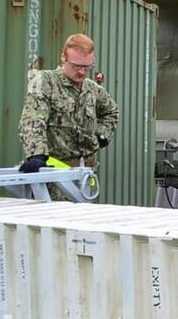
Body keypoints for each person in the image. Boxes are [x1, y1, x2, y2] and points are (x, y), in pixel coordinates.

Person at [17, 33, 120, 200]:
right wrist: (37, 154)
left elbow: (111, 111)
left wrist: (102, 136)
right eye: (76, 66)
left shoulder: (92, 89)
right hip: (54, 177)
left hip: (84, 174)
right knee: (55, 223)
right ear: (63, 57)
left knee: (80, 222)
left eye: (87, 67)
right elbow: (33, 118)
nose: (81, 72)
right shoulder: (45, 82)